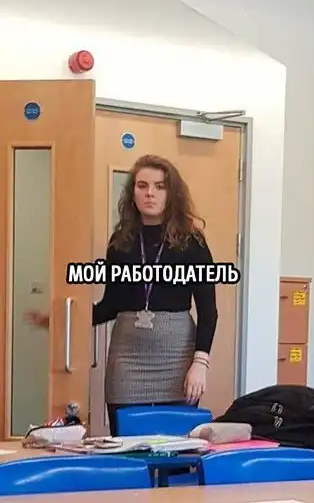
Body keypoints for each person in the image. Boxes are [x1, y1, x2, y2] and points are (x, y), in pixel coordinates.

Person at [27, 154, 218, 436]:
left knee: (176, 445)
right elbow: (110, 305)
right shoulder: (120, 242)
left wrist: (200, 364)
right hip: (128, 359)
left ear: (172, 193)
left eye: (160, 186)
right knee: (126, 443)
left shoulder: (192, 242)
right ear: (132, 193)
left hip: (177, 358)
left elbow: (208, 310)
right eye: (142, 185)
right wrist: (60, 320)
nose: (150, 193)